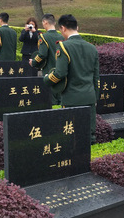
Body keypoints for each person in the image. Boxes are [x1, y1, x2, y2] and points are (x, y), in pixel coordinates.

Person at [43, 14, 100, 144]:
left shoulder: (64, 47)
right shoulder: (92, 48)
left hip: (71, 98)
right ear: (77, 27)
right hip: (90, 97)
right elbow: (96, 77)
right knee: (88, 137)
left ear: (62, 28)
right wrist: (95, 96)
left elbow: (60, 73)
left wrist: (46, 79)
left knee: (71, 138)